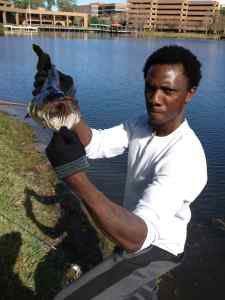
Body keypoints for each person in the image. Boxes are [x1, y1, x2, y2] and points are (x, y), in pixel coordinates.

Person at [35, 45, 208, 299]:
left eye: (168, 90)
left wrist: (74, 177)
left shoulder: (185, 157)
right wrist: (66, 103)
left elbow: (139, 238)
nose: (155, 98)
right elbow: (96, 143)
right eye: (150, 87)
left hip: (157, 247)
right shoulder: (142, 123)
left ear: (190, 93)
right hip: (134, 229)